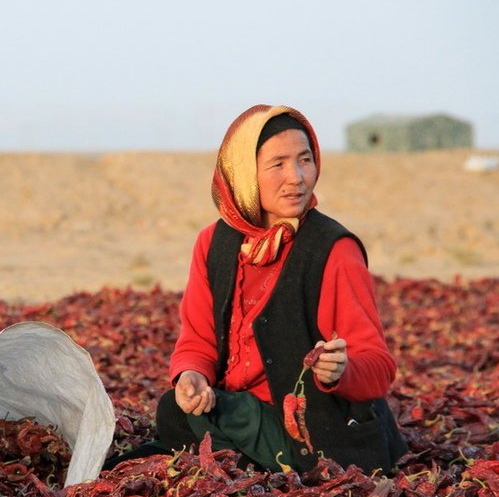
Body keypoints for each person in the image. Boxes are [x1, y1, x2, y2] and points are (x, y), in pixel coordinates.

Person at [109, 104, 406, 475]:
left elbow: (378, 367)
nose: (297, 177)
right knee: (175, 407)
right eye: (278, 164)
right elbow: (197, 341)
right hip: (241, 412)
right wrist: (192, 377)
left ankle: (241, 455)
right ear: (244, 174)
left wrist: (340, 371)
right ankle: (230, 451)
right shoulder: (214, 244)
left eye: (305, 160)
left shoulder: (333, 250)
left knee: (201, 426)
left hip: (314, 436)